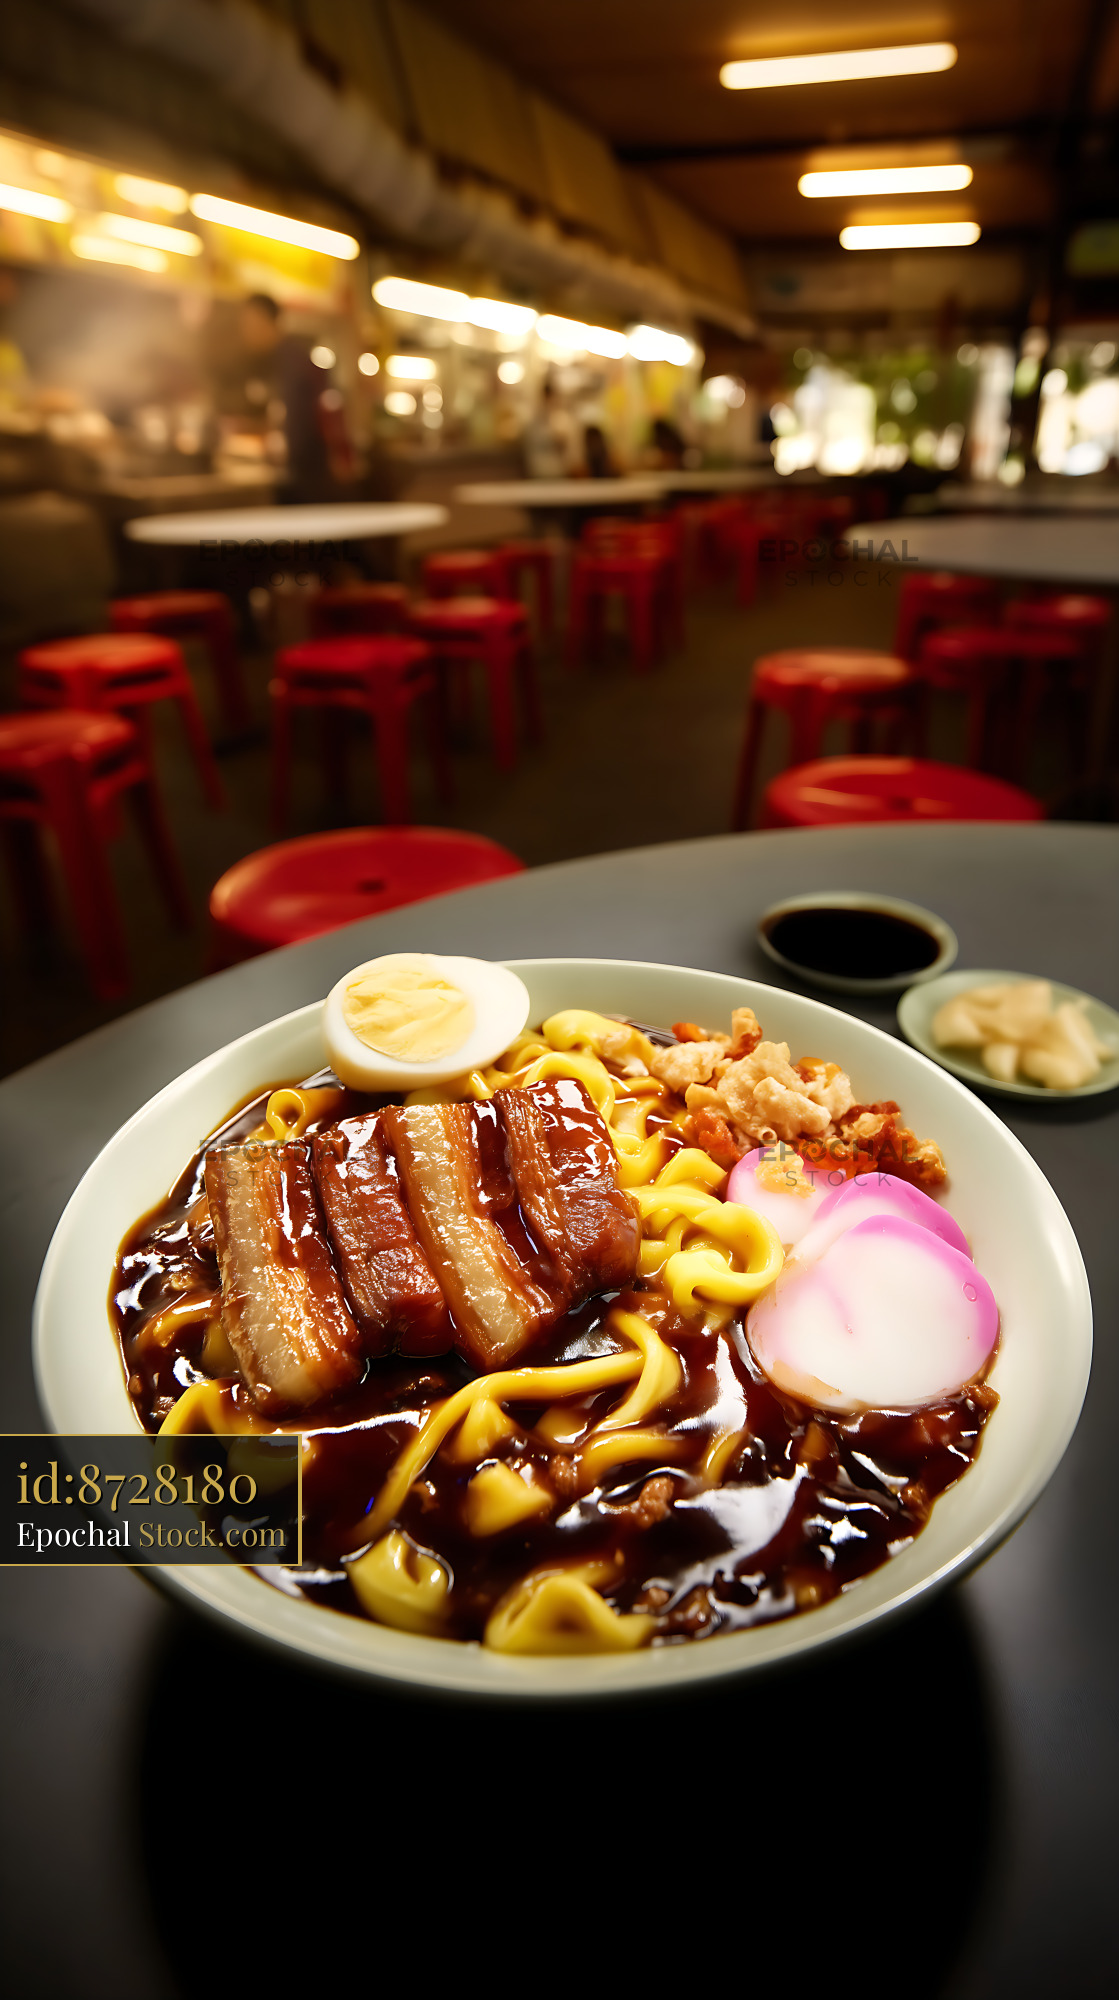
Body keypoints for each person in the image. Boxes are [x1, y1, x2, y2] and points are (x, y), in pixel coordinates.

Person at [238, 293, 334, 502]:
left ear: (264, 320)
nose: (245, 332)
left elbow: (295, 430)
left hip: (307, 484)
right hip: (307, 479)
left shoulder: (291, 361)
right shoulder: (282, 358)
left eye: (248, 323)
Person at [522, 375, 576, 478]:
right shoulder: (533, 421)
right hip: (537, 471)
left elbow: (567, 448)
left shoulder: (561, 419)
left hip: (558, 472)